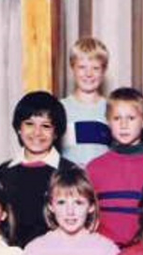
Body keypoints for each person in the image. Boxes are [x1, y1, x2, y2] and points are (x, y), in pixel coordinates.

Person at [86, 87, 143, 247]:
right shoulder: (94, 168)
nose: (123, 125)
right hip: (104, 253)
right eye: (117, 118)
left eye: (131, 118)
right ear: (108, 121)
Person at [0, 91, 77, 247]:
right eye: (29, 124)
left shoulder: (69, 172)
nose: (37, 132)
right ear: (19, 128)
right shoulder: (4, 172)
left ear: (56, 133)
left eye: (45, 126)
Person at [59, 37, 112, 167]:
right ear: (72, 68)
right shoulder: (61, 108)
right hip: (71, 183)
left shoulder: (111, 108)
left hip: (103, 182)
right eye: (82, 67)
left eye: (95, 68)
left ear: (104, 70)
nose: (89, 74)